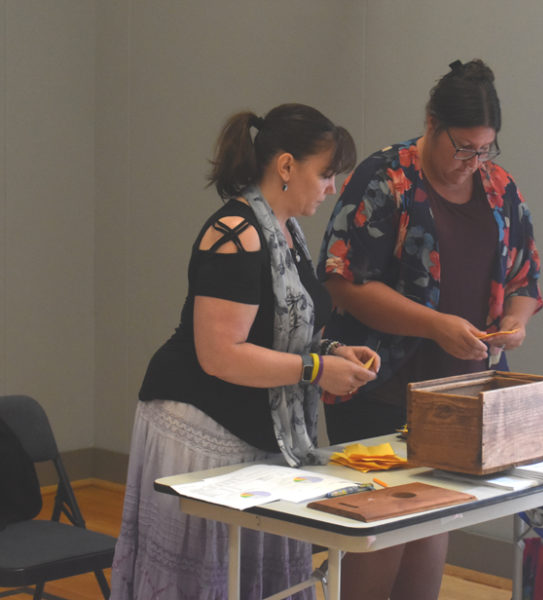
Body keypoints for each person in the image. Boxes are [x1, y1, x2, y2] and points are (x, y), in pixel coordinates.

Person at [110, 103, 379, 600]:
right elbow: (221, 355)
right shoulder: (236, 233)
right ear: (285, 166)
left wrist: (334, 351)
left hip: (255, 430)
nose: (331, 188)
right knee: (205, 582)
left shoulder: (286, 230)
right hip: (200, 427)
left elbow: (278, 331)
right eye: (325, 173)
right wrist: (316, 369)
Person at [316, 59, 543, 600]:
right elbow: (344, 281)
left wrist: (515, 321)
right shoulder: (385, 177)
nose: (472, 161)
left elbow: (525, 280)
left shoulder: (499, 187)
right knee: (383, 534)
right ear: (431, 122)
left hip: (460, 396)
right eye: (462, 147)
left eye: (484, 148)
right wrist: (433, 325)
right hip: (381, 386)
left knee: (433, 526)